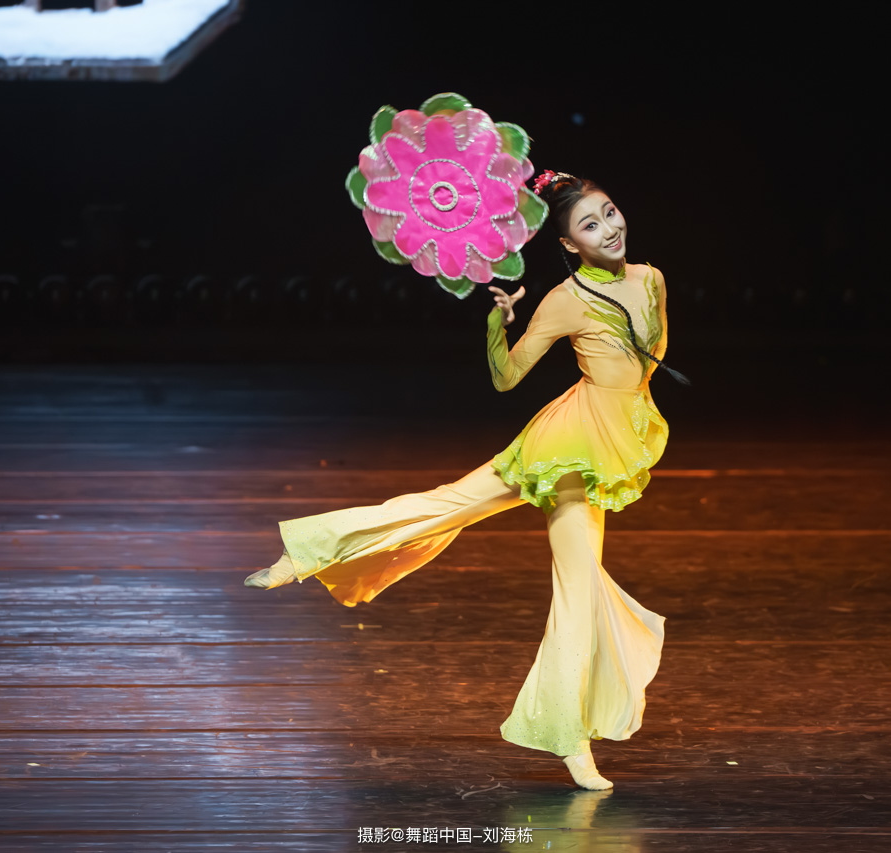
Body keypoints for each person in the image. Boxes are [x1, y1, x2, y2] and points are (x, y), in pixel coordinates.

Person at [246, 170, 680, 791]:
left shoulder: (651, 278)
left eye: (610, 212)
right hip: (566, 447)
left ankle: (311, 552)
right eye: (590, 225)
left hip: (610, 439)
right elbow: (507, 378)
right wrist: (500, 323)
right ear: (569, 245)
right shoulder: (565, 299)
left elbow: (644, 365)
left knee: (491, 528)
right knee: (500, 537)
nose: (609, 229)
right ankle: (306, 553)